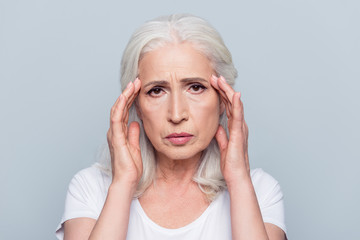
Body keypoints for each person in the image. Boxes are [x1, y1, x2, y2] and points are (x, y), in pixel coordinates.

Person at [56, 14, 287, 240]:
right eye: (156, 90)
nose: (176, 114)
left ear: (223, 101)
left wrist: (238, 179)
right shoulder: (91, 188)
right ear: (134, 104)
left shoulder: (259, 190)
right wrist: (123, 184)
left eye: (195, 87)